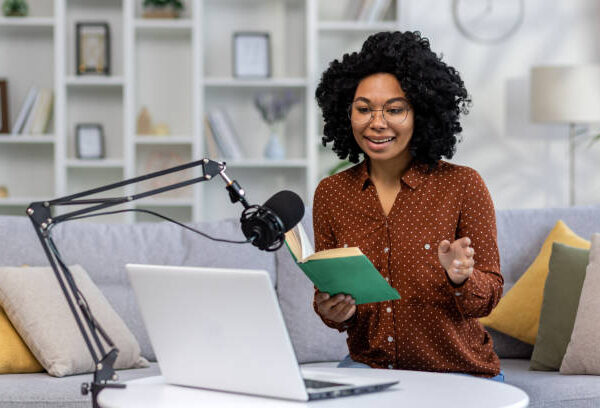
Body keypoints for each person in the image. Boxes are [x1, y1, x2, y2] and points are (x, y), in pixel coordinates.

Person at [312, 31, 504, 381]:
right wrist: (333, 310)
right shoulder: (331, 193)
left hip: (457, 373)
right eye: (363, 108)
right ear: (346, 112)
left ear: (422, 112)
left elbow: (488, 297)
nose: (377, 122)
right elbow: (332, 303)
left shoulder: (463, 185)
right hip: (368, 369)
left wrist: (462, 277)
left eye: (395, 109)